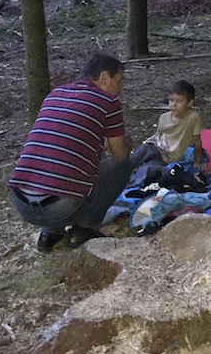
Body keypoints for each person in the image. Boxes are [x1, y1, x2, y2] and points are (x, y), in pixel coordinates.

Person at [9, 52, 132, 253]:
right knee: (122, 165)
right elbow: (119, 155)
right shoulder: (108, 102)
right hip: (60, 207)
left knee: (58, 168)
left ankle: (50, 232)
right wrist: (126, 144)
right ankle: (84, 229)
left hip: (22, 203)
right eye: (118, 81)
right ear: (104, 77)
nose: (121, 89)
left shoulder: (55, 94)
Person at [130, 79, 204, 171]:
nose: (174, 104)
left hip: (167, 156)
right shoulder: (164, 117)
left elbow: (197, 141)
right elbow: (157, 137)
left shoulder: (193, 117)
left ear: (190, 103)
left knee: (147, 170)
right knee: (134, 158)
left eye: (179, 101)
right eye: (171, 100)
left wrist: (198, 161)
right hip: (153, 146)